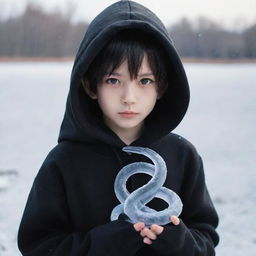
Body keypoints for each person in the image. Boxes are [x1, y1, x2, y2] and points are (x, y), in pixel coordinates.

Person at [18, 0, 219, 255]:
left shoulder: (183, 155)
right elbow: (37, 246)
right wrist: (98, 245)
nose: (129, 97)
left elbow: (206, 238)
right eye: (113, 80)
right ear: (91, 86)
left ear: (162, 87)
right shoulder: (64, 163)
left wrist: (180, 243)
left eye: (145, 81)